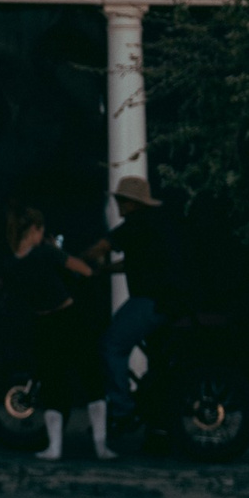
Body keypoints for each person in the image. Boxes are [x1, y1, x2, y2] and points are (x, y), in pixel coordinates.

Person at [77, 175, 192, 433]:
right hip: (167, 302)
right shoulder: (153, 227)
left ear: (131, 203)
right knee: (154, 360)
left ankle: (122, 410)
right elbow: (134, 262)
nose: (117, 203)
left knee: (110, 346)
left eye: (120, 199)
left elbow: (101, 247)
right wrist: (102, 271)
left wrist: (73, 261)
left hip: (151, 301)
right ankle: (148, 411)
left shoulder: (135, 225)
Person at [1, 205, 112, 461]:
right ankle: (101, 446)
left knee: (53, 382)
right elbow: (84, 270)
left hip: (42, 324)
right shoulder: (46, 253)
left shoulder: (11, 263)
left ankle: (54, 448)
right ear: (34, 230)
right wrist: (58, 252)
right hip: (69, 317)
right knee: (90, 377)